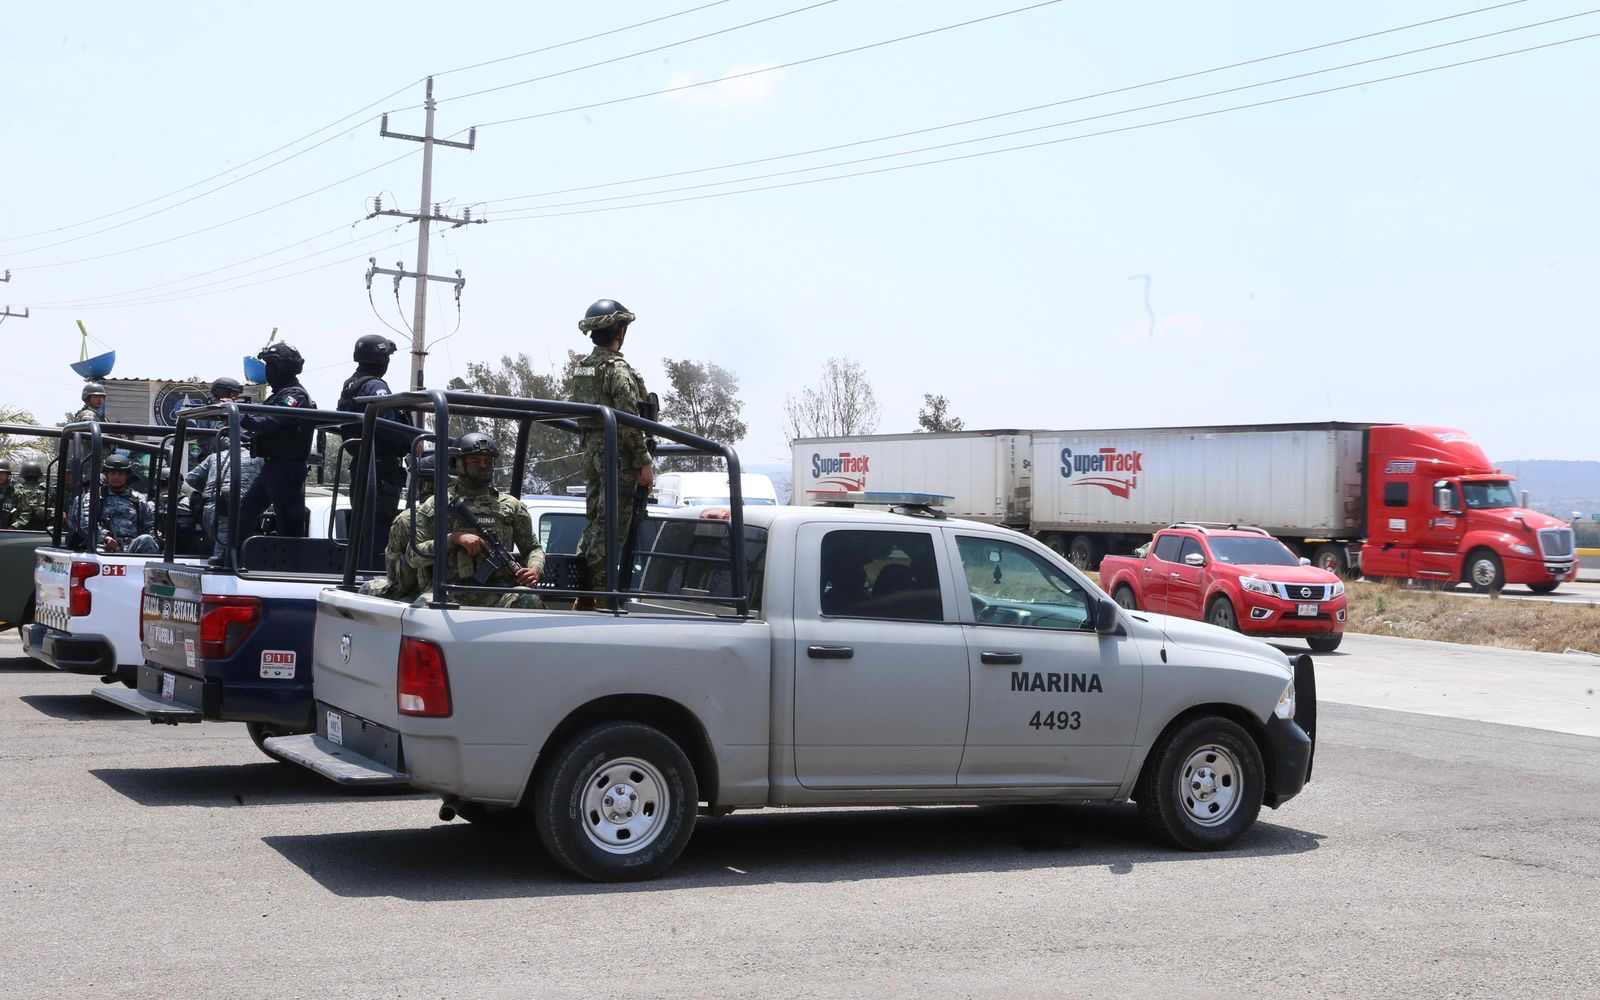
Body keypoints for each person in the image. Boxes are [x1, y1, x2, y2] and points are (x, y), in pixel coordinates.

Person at [570, 299, 655, 605]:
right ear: (619, 330)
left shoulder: (583, 368)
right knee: (611, 528)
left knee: (595, 521)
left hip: (591, 449)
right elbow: (629, 420)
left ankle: (585, 592)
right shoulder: (616, 370)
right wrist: (643, 461)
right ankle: (602, 596)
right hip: (616, 453)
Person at [407, 433, 544, 609]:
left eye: (487, 460)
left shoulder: (511, 506)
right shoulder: (437, 504)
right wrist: (453, 539)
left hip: (499, 595)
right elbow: (414, 556)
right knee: (423, 609)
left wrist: (534, 569)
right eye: (475, 460)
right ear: (459, 463)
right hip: (448, 592)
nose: (483, 465)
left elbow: (533, 548)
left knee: (530, 600)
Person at [337, 334, 411, 568]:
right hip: (379, 469)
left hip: (362, 464)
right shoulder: (376, 386)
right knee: (379, 529)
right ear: (382, 360)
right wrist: (412, 438)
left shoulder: (351, 384)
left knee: (364, 525)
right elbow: (388, 427)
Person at [236, 342, 315, 539]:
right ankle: (232, 555)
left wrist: (241, 417)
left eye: (272, 365)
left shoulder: (294, 395)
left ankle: (293, 564)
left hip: (287, 468)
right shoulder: (279, 395)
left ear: (285, 368)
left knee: (288, 522)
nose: (268, 370)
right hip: (273, 466)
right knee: (246, 509)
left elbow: (272, 422)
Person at [360, 449, 443, 603]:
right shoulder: (478, 514)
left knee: (367, 589)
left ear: (421, 484)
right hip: (464, 594)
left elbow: (393, 576)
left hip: (419, 597)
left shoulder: (407, 519)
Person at [185, 438, 262, 561]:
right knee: (223, 559)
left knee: (222, 547)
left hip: (209, 510)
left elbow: (191, 478)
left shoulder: (213, 457)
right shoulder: (257, 459)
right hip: (230, 512)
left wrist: (208, 490)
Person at [69, 453, 158, 553]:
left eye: (120, 474)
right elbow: (85, 522)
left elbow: (150, 526)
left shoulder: (139, 499)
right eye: (112, 473)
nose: (116, 477)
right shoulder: (95, 496)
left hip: (132, 548)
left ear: (127, 476)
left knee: (147, 540)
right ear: (106, 475)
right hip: (102, 547)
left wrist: (157, 538)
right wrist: (105, 537)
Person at [10, 462, 53, 530]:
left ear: (23, 475)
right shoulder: (46, 489)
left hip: (19, 528)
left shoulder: (17, 489)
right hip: (42, 528)